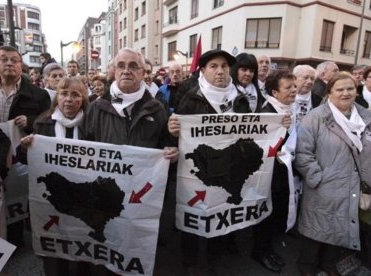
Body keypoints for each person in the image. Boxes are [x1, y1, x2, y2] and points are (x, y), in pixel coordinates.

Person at [80, 47, 178, 275]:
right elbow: (84, 149)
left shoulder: (158, 108)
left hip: (141, 197)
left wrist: (173, 151)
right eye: (121, 65)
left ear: (144, 72)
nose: (126, 71)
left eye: (133, 66)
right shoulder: (95, 108)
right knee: (107, 243)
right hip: (105, 194)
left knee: (137, 248)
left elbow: (166, 146)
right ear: (113, 71)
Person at [169, 49, 240, 272]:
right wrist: (172, 131)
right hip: (196, 171)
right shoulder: (190, 98)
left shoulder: (239, 100)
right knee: (193, 216)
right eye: (213, 66)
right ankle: (189, 264)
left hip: (227, 170)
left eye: (224, 66)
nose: (220, 71)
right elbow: (178, 135)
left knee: (219, 216)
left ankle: (214, 262)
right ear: (203, 70)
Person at [295, 72, 371, 275]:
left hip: (355, 188)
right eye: (340, 89)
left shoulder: (366, 117)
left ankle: (329, 266)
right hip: (323, 188)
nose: (346, 93)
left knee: (339, 233)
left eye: (350, 88)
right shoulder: (316, 117)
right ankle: (307, 269)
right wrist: (317, 178)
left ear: (357, 90)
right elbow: (302, 153)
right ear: (329, 93)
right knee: (316, 232)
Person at [0, 45, 51, 247]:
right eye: (3, 59)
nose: (9, 63)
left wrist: (32, 120)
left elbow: (48, 124)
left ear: (21, 66)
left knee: (18, 196)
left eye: (14, 60)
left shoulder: (39, 95)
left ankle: (16, 239)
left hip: (22, 157)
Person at [21, 77, 90, 276]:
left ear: (83, 99)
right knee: (55, 245)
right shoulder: (43, 122)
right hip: (53, 196)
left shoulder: (92, 123)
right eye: (64, 94)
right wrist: (27, 148)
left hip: (83, 195)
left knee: (83, 238)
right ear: (57, 97)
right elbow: (32, 162)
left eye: (75, 95)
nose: (68, 99)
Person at [251, 70, 296, 273]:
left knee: (275, 211)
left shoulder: (288, 108)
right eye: (288, 87)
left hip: (282, 172)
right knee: (265, 214)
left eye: (294, 86)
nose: (294, 90)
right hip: (268, 175)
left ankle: (268, 248)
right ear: (274, 92)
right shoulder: (267, 112)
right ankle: (260, 251)